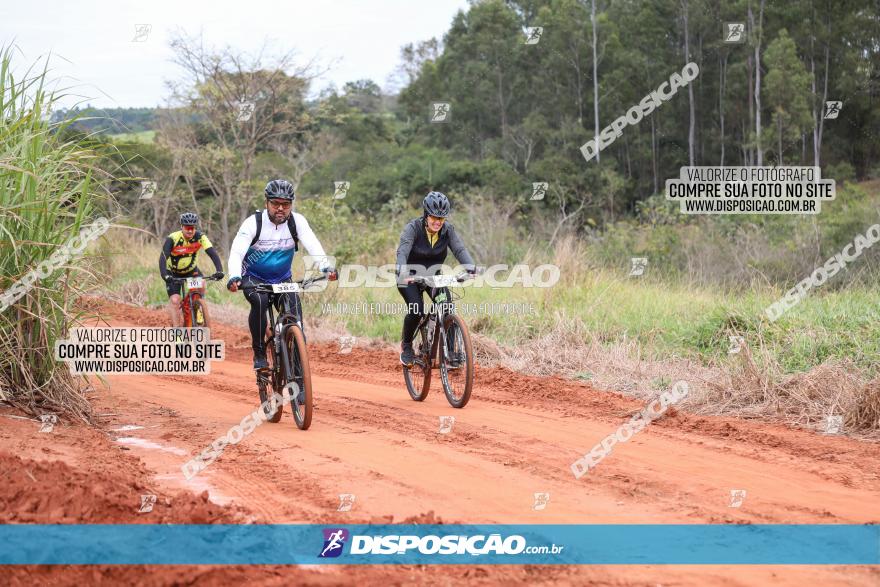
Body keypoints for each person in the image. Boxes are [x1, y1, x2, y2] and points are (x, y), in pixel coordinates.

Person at [226, 179, 337, 370]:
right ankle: (259, 354)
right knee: (260, 302)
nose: (280, 208)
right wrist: (234, 276)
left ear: (291, 205)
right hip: (253, 277)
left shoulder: (297, 221)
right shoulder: (253, 223)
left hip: (282, 279)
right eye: (275, 203)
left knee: (296, 321)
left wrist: (326, 267)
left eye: (285, 204)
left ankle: (298, 375)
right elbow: (236, 252)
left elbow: (313, 244)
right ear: (266, 203)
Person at [395, 191, 476, 366]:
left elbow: (459, 250)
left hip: (433, 277)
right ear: (426, 214)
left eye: (441, 218)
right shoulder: (413, 228)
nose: (438, 222)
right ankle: (407, 345)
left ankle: (452, 354)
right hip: (409, 277)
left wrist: (470, 267)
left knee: (446, 306)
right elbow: (403, 251)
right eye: (434, 217)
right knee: (416, 310)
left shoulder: (448, 231)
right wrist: (401, 271)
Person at [159, 212, 224, 328]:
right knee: (175, 300)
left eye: (192, 228)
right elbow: (163, 258)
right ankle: (177, 332)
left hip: (191, 271)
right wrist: (165, 275)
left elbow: (212, 253)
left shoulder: (200, 237)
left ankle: (197, 307)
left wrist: (219, 270)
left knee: (202, 285)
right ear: (181, 227)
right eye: (187, 228)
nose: (190, 231)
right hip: (173, 273)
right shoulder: (173, 238)